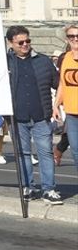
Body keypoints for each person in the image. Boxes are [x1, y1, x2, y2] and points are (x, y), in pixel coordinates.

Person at [5, 25, 61, 205]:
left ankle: (49, 189)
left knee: (45, 153)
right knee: (23, 154)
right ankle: (28, 187)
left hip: (41, 116)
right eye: (20, 42)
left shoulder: (43, 61)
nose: (25, 45)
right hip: (16, 117)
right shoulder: (4, 62)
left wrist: (57, 105)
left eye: (28, 41)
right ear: (10, 43)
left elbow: (59, 85)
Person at [54, 24, 78, 178]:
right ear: (67, 39)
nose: (75, 39)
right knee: (75, 150)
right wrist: (56, 105)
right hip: (71, 112)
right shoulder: (65, 58)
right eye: (71, 36)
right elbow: (62, 83)